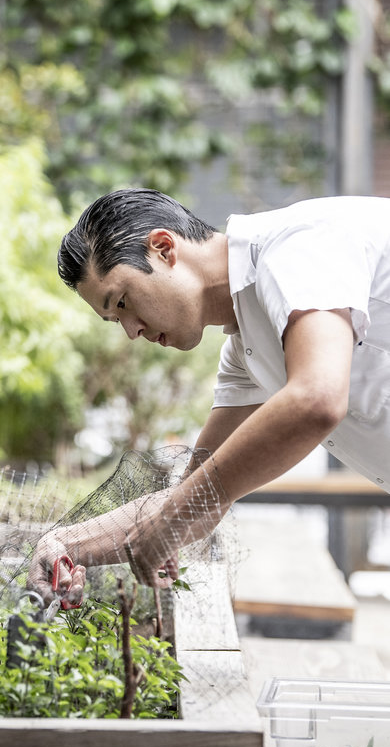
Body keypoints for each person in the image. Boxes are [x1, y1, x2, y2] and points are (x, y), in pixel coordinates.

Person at [27, 188, 390, 607]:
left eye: (123, 302)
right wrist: (65, 543)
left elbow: (317, 399)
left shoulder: (296, 246)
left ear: (163, 248)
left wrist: (172, 517)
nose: (131, 331)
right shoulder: (248, 353)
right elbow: (197, 497)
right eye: (115, 320)